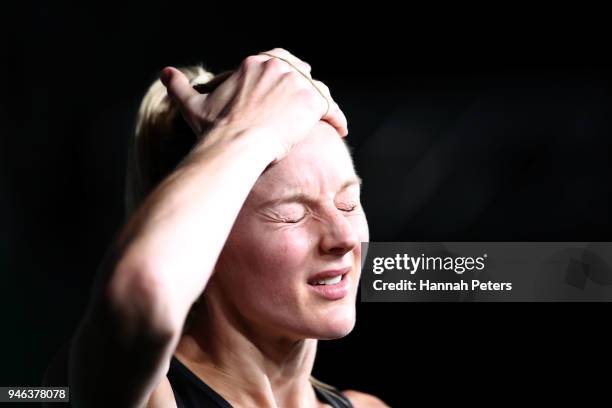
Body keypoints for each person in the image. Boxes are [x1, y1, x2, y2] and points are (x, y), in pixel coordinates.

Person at [44, 48, 389, 407]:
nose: (345, 238)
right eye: (292, 214)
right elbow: (144, 289)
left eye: (348, 203)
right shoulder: (145, 395)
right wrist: (240, 133)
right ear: (207, 241)